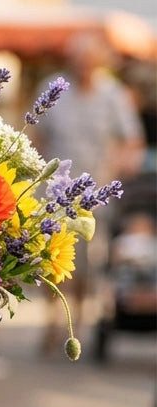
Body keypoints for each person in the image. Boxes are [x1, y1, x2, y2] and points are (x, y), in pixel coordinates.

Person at [33, 32, 145, 349]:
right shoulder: (52, 88)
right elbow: (37, 133)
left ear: (99, 62)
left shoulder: (113, 95)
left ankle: (77, 319)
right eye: (78, 60)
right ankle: (52, 319)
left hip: (93, 194)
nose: (83, 66)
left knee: (85, 262)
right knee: (47, 257)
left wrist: (119, 169)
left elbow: (132, 141)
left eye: (89, 61)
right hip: (54, 192)